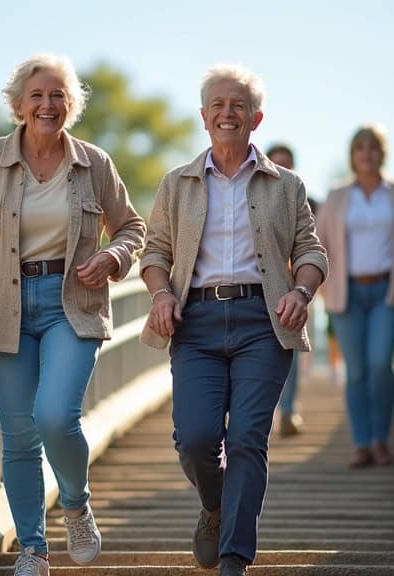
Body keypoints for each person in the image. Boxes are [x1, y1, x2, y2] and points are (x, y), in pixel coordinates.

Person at [0, 53, 146, 576]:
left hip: (72, 301)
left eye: (58, 96)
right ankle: (32, 548)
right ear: (19, 104)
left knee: (55, 416)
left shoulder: (94, 164)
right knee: (20, 434)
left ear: (72, 105)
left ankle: (76, 503)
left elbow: (133, 228)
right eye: (38, 96)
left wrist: (114, 257)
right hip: (2, 305)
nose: (48, 105)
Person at [140, 65, 327, 576]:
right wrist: (160, 295)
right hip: (195, 322)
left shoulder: (285, 185)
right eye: (218, 105)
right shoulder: (177, 184)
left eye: (239, 105)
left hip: (263, 321)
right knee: (196, 438)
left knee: (247, 436)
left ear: (256, 118)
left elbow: (311, 250)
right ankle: (214, 505)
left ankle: (233, 557)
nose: (228, 113)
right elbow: (154, 252)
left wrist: (302, 290)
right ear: (204, 117)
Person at [315, 124, 394, 468]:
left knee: (381, 364)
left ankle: (382, 439)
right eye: (360, 148)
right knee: (356, 372)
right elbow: (316, 244)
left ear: (383, 153)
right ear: (352, 155)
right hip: (346, 292)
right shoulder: (337, 196)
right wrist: (319, 285)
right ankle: (362, 443)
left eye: (373, 147)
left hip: (387, 290)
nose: (366, 153)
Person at [265, 143, 311, 437]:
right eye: (276, 163)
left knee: (290, 353)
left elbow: (316, 248)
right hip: (263, 292)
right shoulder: (254, 199)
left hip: (300, 293)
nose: (282, 169)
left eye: (287, 164)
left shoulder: (305, 199)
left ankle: (289, 409)